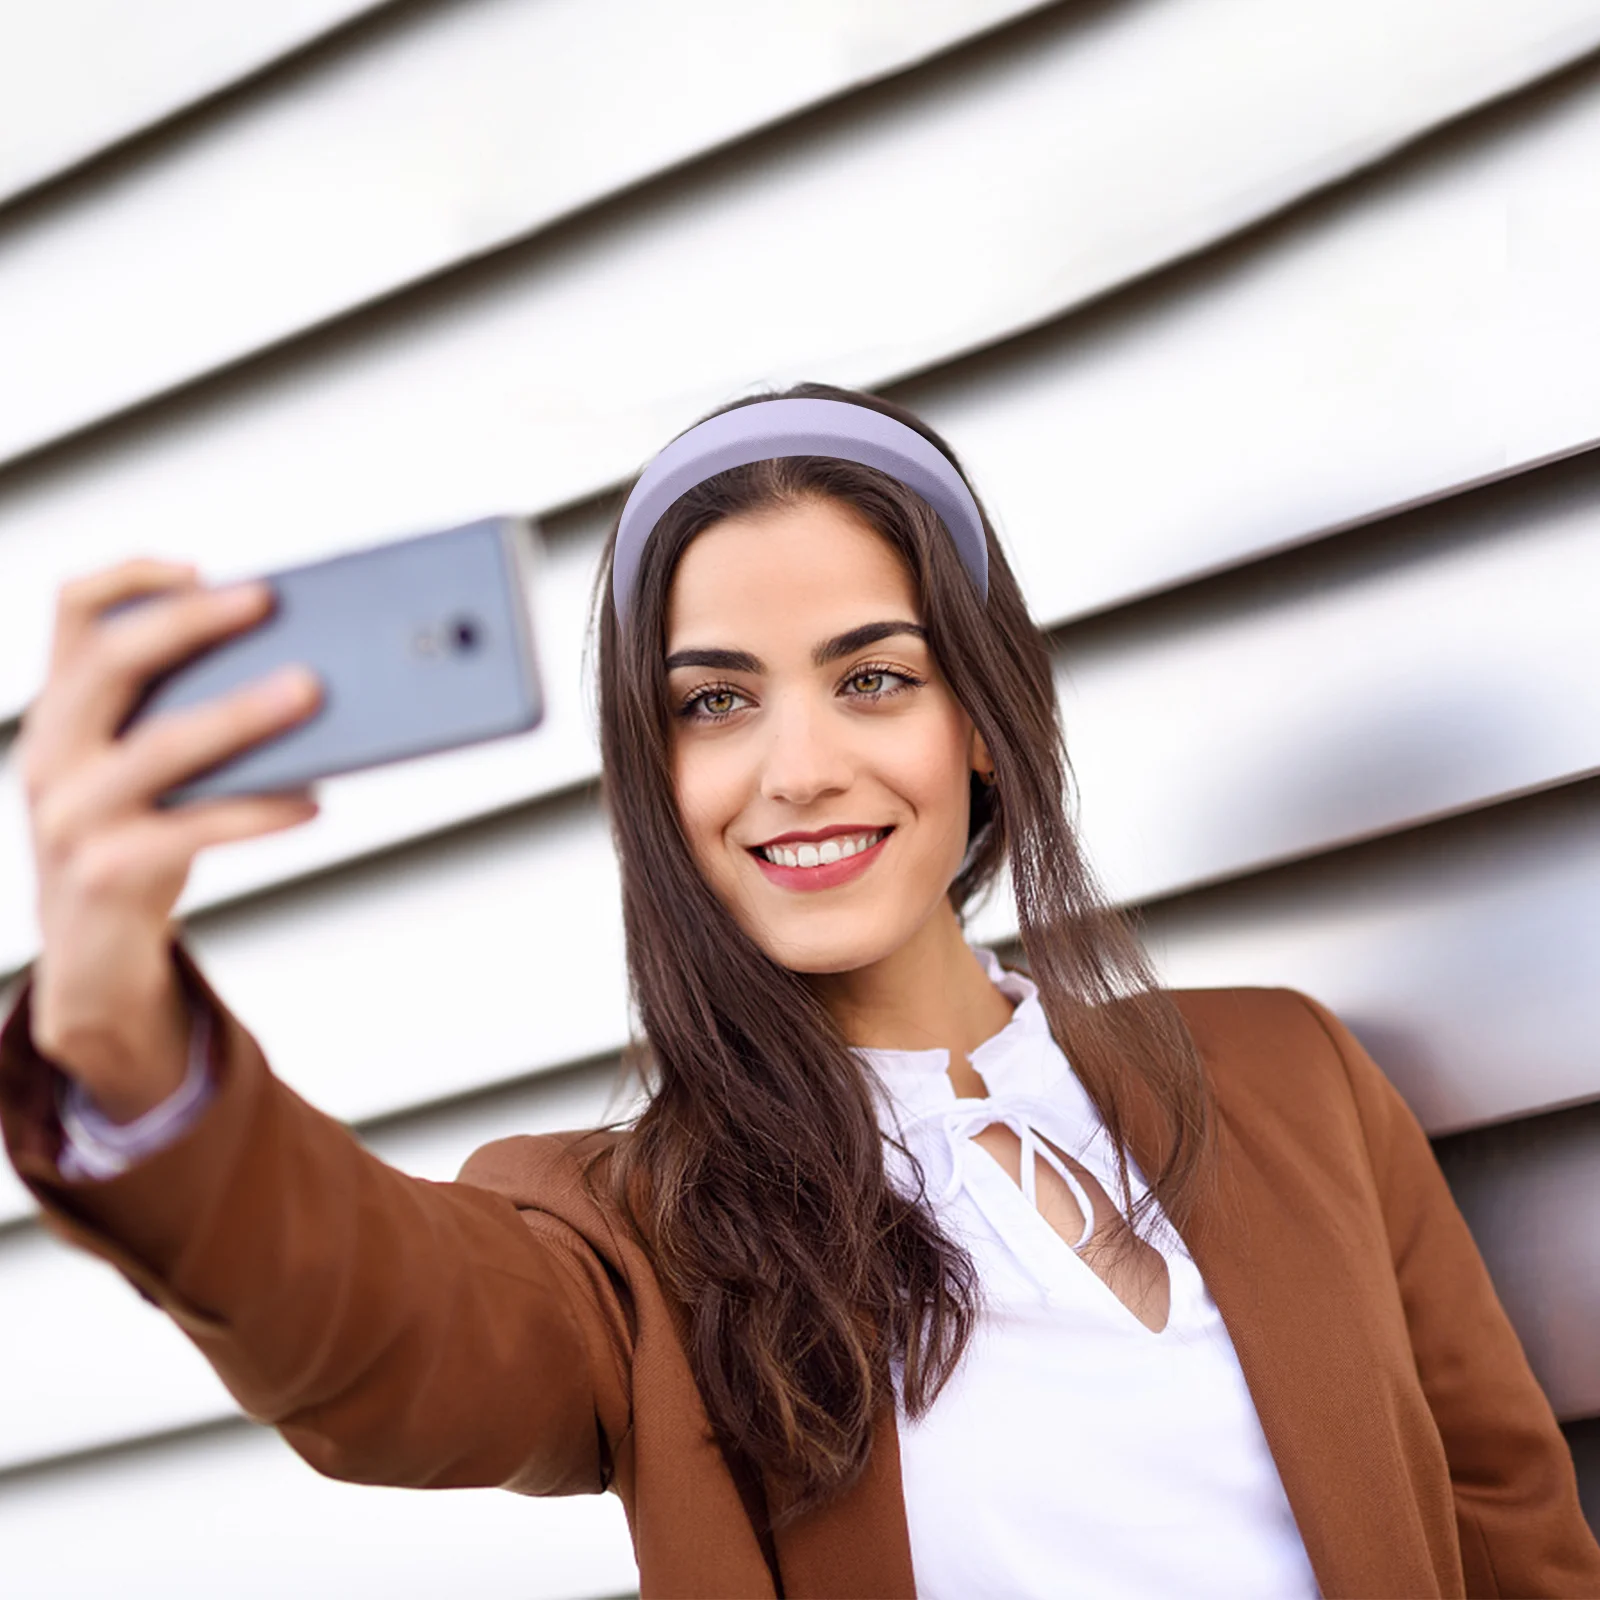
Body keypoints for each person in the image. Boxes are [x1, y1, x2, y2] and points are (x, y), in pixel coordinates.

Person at [2, 384, 1596, 1599]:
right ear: (657, 774)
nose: (800, 769)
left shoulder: (1287, 1072)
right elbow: (382, 1340)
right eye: (715, 703)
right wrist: (122, 1040)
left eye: (874, 678)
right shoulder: (625, 1231)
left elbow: (1515, 1535)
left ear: (979, 718)